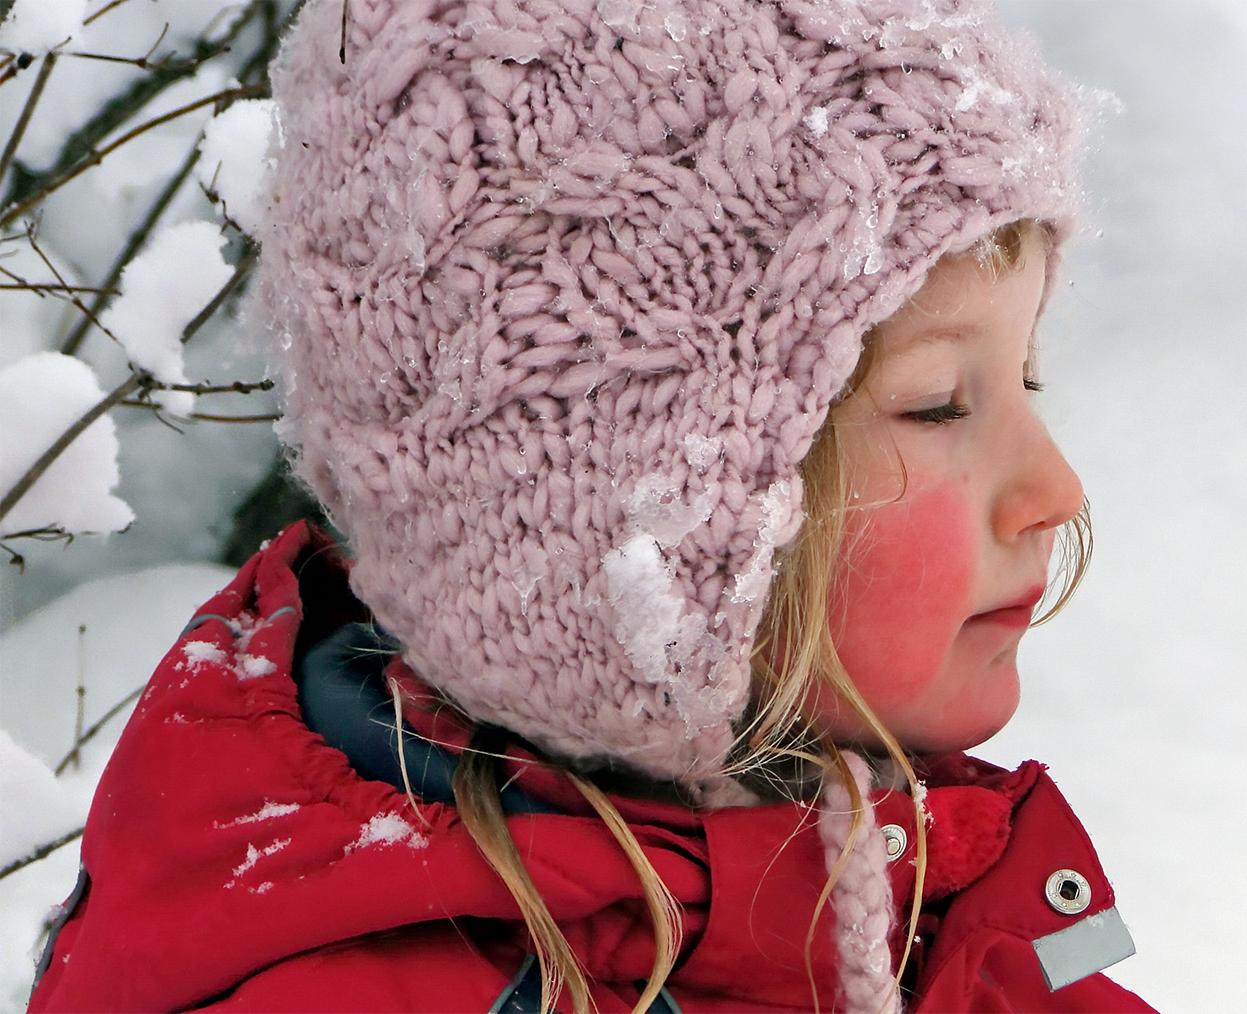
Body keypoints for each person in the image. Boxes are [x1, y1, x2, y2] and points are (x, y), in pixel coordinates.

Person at [30, 1, 1155, 1011]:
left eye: (1027, 379)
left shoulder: (944, 911)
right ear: (615, 521)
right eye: (935, 406)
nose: (1054, 492)